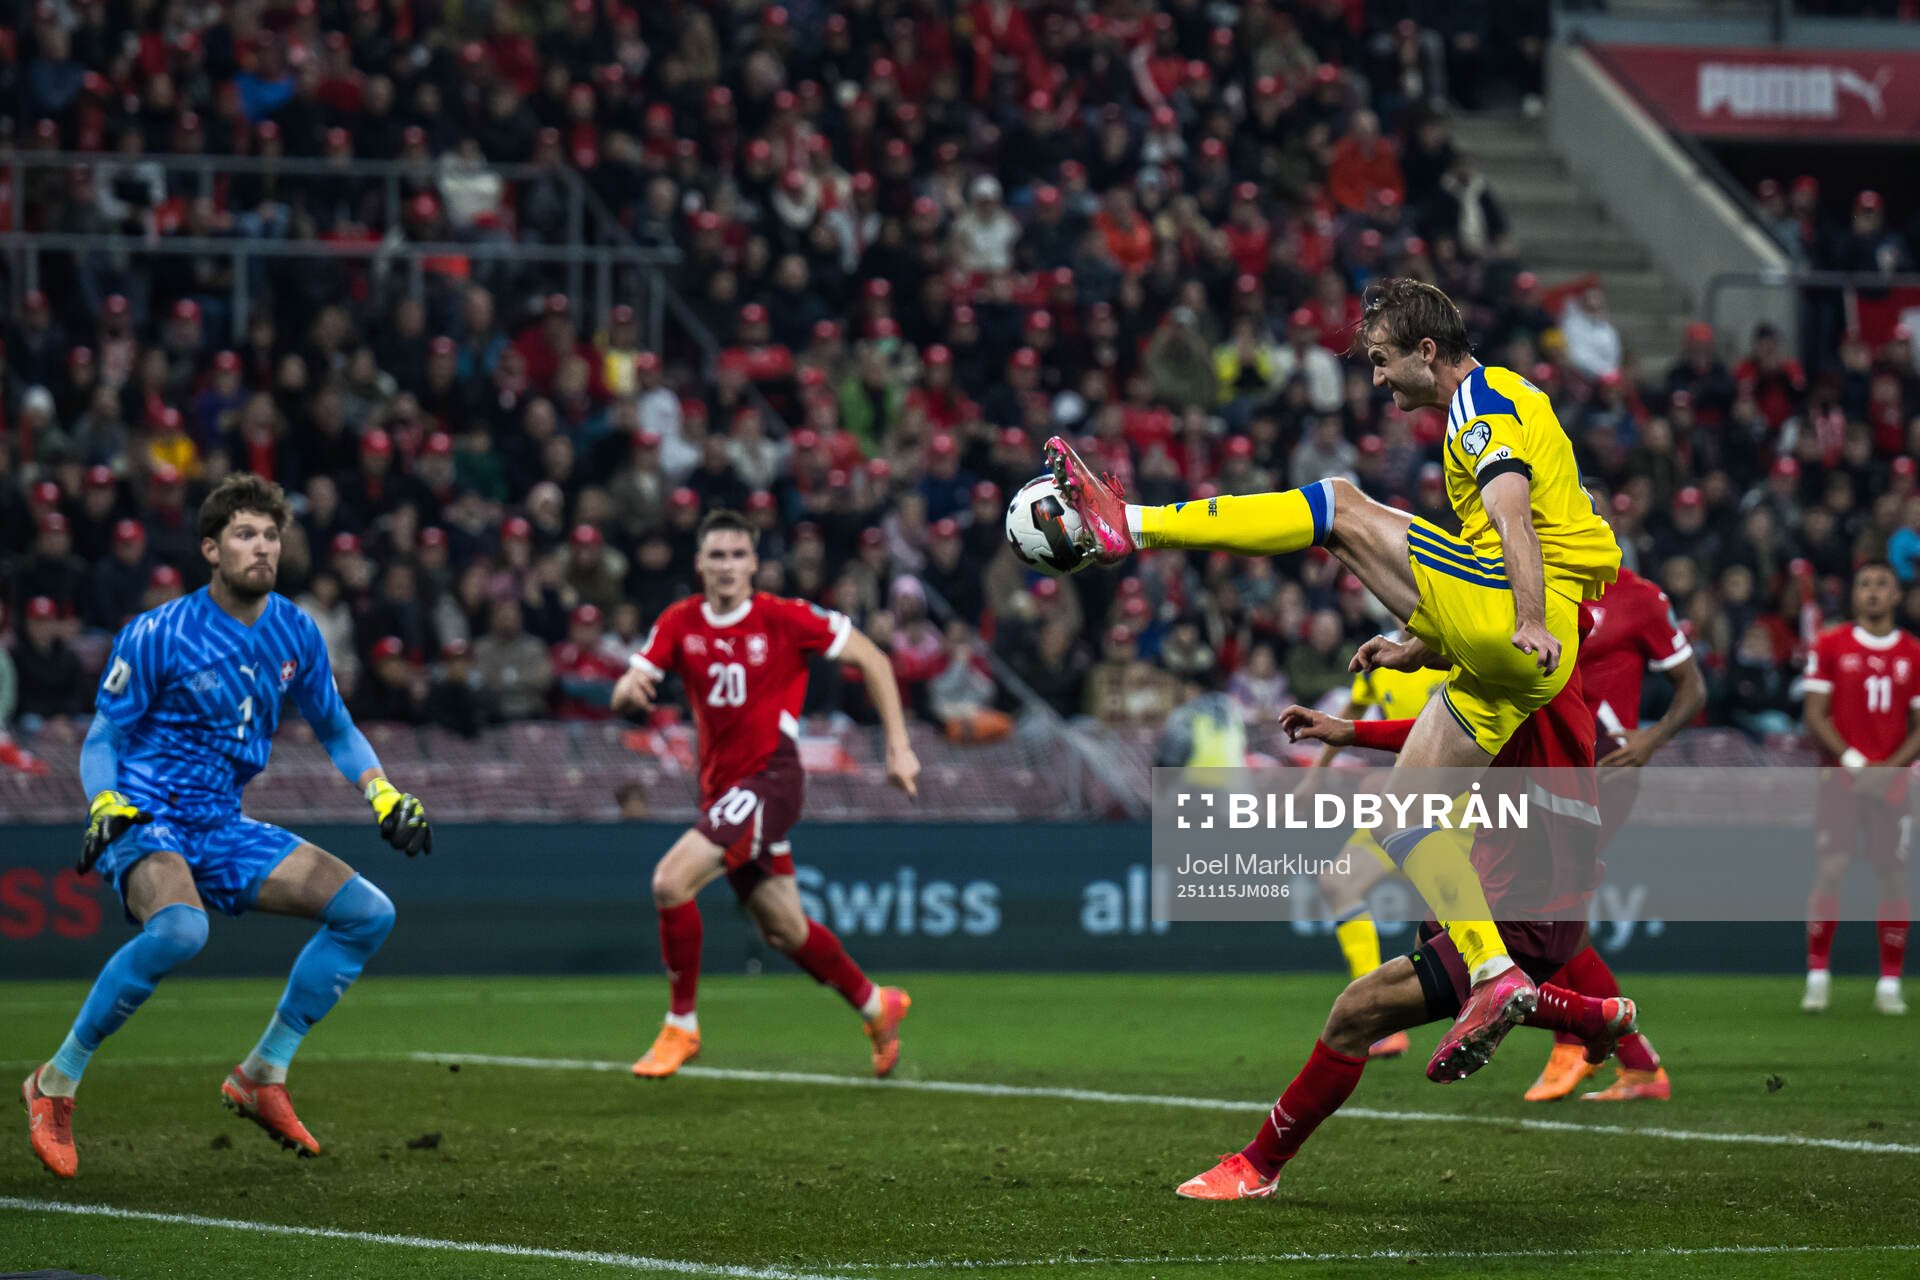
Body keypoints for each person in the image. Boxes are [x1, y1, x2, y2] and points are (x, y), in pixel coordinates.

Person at [1048, 276, 1620, 1083]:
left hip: (1528, 624)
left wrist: (1523, 617)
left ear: (1429, 351)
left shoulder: (1480, 399)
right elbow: (1498, 544)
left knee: (1337, 505)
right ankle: (1492, 977)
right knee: (1403, 819)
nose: (1377, 379)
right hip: (1525, 656)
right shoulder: (1509, 399)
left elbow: (1512, 516)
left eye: (1384, 361)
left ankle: (1129, 525)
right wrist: (1420, 642)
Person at [21, 474, 431, 1180]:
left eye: (272, 535)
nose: (262, 547)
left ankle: (261, 1073)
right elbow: (101, 738)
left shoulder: (295, 631)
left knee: (368, 913)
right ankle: (55, 1083)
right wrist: (104, 804)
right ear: (211, 548)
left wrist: (383, 793)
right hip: (146, 814)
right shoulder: (158, 632)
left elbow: (337, 727)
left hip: (220, 823)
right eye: (245, 534)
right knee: (182, 928)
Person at [1177, 665, 1637, 1200]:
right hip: (1514, 887)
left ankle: (1257, 1167)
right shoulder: (1543, 685)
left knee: (1357, 1012)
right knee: (1429, 944)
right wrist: (1351, 730)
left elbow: (1449, 734)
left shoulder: (1527, 672)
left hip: (1518, 902)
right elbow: (1445, 731)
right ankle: (1588, 1015)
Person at [611, 510, 921, 1080]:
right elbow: (626, 692)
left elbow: (873, 658)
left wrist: (898, 748)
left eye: (737, 555)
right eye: (717, 555)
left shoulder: (784, 618)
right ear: (700, 563)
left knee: (669, 881)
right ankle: (877, 1005)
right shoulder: (679, 622)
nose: (727, 566)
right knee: (786, 929)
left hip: (771, 781)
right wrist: (629, 691)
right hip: (723, 794)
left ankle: (681, 1025)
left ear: (754, 563)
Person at [1523, 563, 1706, 1102]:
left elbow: (1692, 688)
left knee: (1547, 909)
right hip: (1548, 767)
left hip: (1606, 767)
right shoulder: (1534, 588)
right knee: (1549, 910)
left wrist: (1650, 741)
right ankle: (1609, 1050)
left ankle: (1592, 1045)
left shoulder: (1639, 597)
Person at [1299, 651, 1449, 1060]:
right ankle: (1375, 1017)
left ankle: (1589, 1022)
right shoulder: (1382, 659)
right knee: (1338, 882)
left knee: (1495, 937)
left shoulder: (1451, 649)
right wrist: (1315, 777)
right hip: (1402, 807)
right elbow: (1351, 711)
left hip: (1458, 809)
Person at [1799, 561, 1918, 1017]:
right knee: (1831, 869)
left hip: (1893, 781)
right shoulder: (1830, 644)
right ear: (1854, 595)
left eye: (1881, 584)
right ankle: (1817, 975)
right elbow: (1814, 713)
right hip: (1840, 778)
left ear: (1896, 596)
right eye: (1865, 584)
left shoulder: (1914, 652)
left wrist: (1889, 768)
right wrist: (1854, 761)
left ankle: (1889, 983)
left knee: (1892, 876)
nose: (1872, 592)